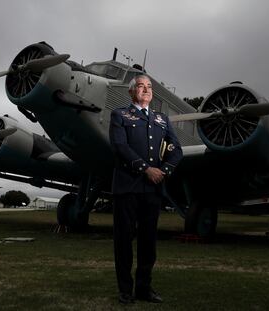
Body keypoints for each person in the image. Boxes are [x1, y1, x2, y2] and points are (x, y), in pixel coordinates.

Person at [109, 75, 183, 304]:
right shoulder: (120, 115)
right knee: (123, 241)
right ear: (131, 92)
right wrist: (145, 169)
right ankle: (125, 291)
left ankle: (144, 288)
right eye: (141, 86)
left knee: (148, 243)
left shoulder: (162, 120)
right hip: (127, 188)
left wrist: (164, 171)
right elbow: (120, 146)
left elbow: (176, 150)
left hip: (153, 190)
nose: (146, 90)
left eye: (149, 87)